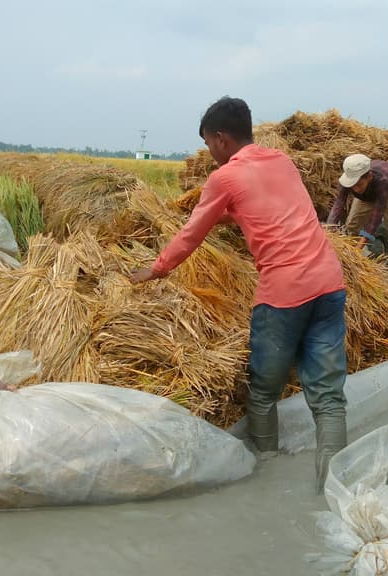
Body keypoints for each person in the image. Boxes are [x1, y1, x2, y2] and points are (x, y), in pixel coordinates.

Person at [126, 96, 348, 491]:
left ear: (222, 139)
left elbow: (192, 233)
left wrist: (156, 269)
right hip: (330, 283)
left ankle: (266, 476)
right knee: (329, 397)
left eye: (209, 143)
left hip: (284, 294)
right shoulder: (281, 161)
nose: (210, 152)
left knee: (262, 393)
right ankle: (334, 490)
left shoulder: (224, 178)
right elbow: (266, 205)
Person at [326, 154, 388, 295]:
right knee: (351, 226)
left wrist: (357, 249)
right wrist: (329, 232)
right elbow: (338, 205)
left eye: (358, 184)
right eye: (352, 185)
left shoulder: (383, 181)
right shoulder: (347, 181)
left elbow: (376, 217)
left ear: (369, 177)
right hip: (367, 196)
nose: (355, 189)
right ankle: (350, 277)